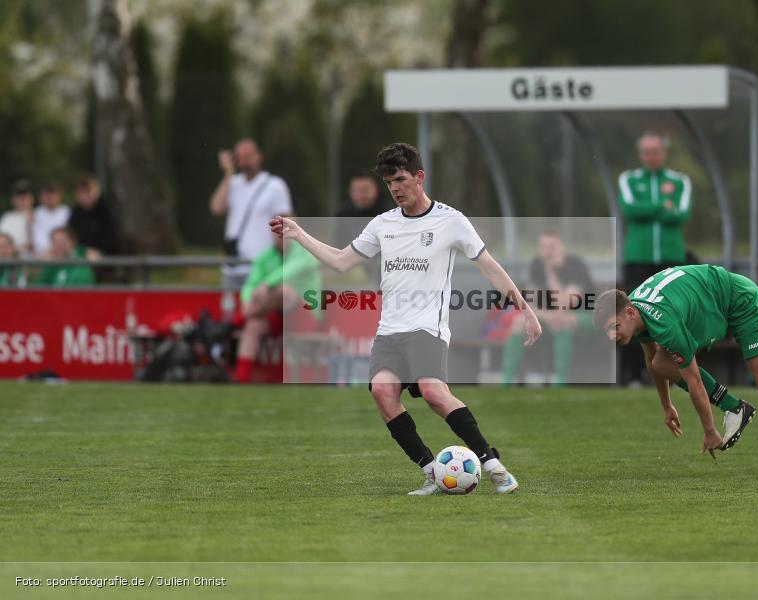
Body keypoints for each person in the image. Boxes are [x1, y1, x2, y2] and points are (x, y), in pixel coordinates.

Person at [270, 142, 542, 495]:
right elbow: (340, 261)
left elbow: (488, 265)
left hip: (427, 327)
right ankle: (432, 472)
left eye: (399, 179)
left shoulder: (451, 221)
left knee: (432, 393)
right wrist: (298, 233)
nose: (395, 188)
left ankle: (493, 465)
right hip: (389, 331)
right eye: (389, 182)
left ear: (419, 177)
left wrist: (524, 307)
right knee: (383, 392)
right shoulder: (383, 224)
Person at [595, 264, 758, 476]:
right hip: (713, 302)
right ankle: (735, 407)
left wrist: (709, 431)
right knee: (661, 362)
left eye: (614, 327)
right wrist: (667, 406)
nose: (612, 336)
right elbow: (651, 359)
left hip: (741, 301)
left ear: (629, 313)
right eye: (607, 331)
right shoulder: (635, 311)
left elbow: (694, 381)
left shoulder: (665, 325)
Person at [618, 131, 692, 386]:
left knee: (674, 315)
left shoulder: (679, 180)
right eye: (646, 152)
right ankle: (634, 375)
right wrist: (662, 205)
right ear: (640, 154)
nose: (651, 157)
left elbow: (680, 214)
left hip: (670, 260)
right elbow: (630, 209)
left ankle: (677, 372)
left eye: (656, 151)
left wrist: (648, 208)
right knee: (632, 314)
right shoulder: (628, 179)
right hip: (638, 258)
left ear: (664, 153)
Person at [500, 228, 594, 386]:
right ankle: (506, 382)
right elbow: (529, 305)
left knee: (563, 322)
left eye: (552, 246)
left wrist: (551, 271)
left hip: (583, 316)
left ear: (561, 246)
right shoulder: (537, 265)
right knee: (518, 322)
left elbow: (564, 305)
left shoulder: (575, 265)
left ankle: (560, 382)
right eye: (543, 247)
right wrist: (546, 316)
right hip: (550, 318)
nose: (547, 252)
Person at [234, 233, 322, 383]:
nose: (280, 237)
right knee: (253, 326)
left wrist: (266, 285)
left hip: (303, 315)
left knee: (284, 290)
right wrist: (247, 299)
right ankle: (242, 380)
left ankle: (244, 316)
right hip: (275, 313)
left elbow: (289, 271)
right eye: (276, 233)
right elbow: (250, 284)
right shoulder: (265, 257)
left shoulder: (306, 252)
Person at [210, 139, 293, 290]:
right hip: (232, 267)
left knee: (255, 311)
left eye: (249, 156)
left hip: (261, 266)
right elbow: (217, 208)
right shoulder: (233, 183)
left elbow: (284, 226)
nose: (245, 161)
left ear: (259, 156)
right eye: (240, 157)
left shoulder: (275, 186)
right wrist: (228, 172)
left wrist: (284, 256)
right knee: (230, 312)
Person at [333, 171, 389, 247]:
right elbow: (338, 244)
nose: (362, 195)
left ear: (376, 189)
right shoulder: (342, 214)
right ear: (350, 191)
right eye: (357, 190)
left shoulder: (388, 214)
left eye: (366, 190)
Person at [69, 173, 118, 257]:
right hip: (81, 251)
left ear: (97, 192)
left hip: (104, 253)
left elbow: (110, 237)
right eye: (81, 193)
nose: (84, 197)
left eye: (87, 193)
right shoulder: (75, 212)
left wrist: (98, 250)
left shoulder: (106, 210)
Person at [31, 183, 71, 257]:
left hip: (62, 253)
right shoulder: (36, 213)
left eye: (52, 194)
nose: (49, 197)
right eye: (46, 195)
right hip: (39, 254)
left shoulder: (67, 212)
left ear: (59, 196)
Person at [0, 180, 34, 255]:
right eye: (19, 196)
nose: (22, 199)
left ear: (31, 198)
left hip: (34, 261)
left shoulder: (39, 215)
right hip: (11, 260)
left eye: (25, 196)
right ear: (13, 199)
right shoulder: (7, 217)